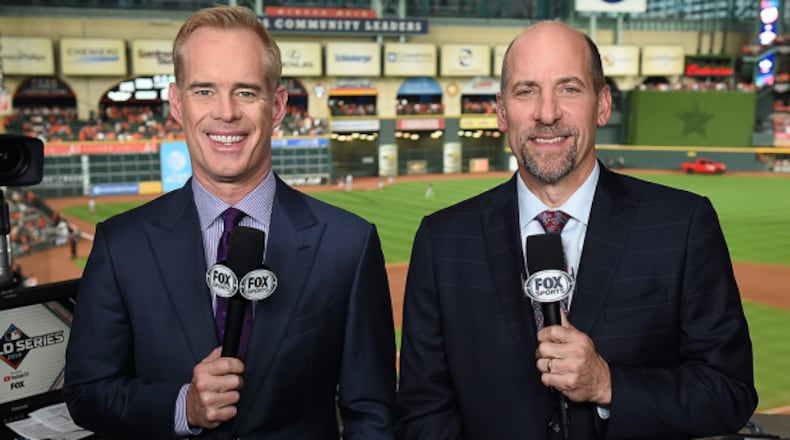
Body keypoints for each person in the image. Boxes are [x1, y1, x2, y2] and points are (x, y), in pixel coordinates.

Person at [396, 21, 756, 439]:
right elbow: (423, 411)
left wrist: (608, 385)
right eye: (526, 90)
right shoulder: (442, 241)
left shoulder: (683, 224)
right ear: (500, 111)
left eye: (569, 88)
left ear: (602, 104)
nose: (547, 113)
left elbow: (728, 393)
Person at [63, 6, 396, 439]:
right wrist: (184, 406)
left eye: (246, 92)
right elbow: (87, 394)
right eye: (203, 91)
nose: (225, 112)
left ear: (276, 106)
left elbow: (372, 412)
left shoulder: (348, 244)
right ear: (176, 104)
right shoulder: (120, 244)